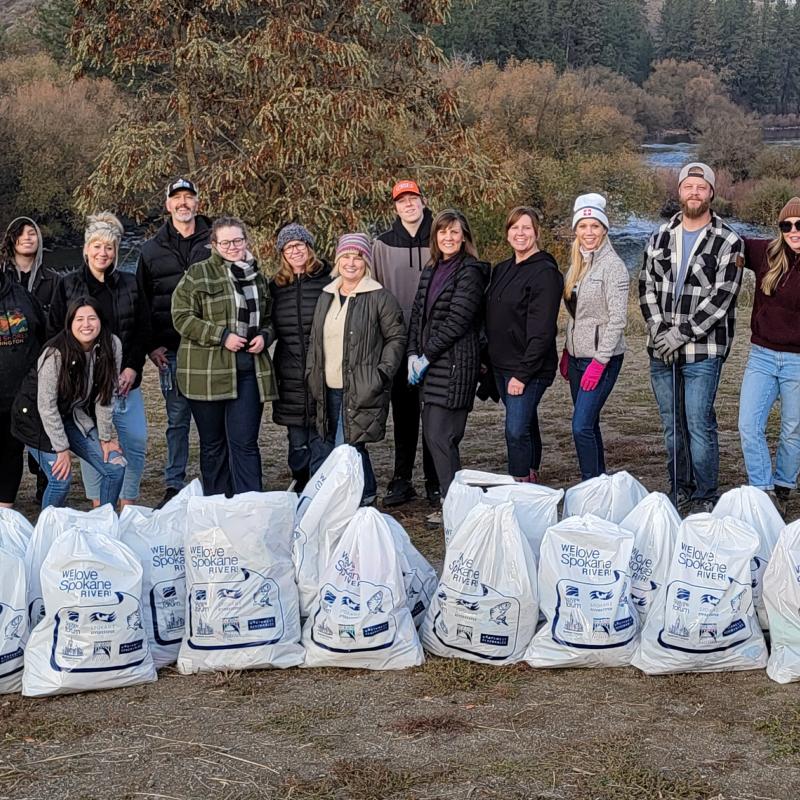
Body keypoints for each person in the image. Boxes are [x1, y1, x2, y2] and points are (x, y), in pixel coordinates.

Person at [640, 162, 743, 514]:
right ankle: (678, 487)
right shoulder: (659, 236)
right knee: (672, 425)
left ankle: (705, 493)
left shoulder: (729, 240)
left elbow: (722, 298)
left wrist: (680, 334)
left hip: (704, 349)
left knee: (699, 424)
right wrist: (657, 330)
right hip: (661, 350)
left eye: (701, 187)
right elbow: (647, 285)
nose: (694, 192)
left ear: (711, 193)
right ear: (680, 191)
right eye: (689, 186)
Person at [48, 212, 150, 507]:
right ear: (86, 249)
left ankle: (128, 502)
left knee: (135, 440)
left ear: (116, 251)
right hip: (84, 385)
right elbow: (56, 331)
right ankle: (98, 505)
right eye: (97, 246)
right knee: (94, 446)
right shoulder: (67, 285)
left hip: (124, 382)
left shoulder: (130, 284)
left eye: (109, 247)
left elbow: (143, 328)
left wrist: (132, 367)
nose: (102, 253)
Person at [172, 216, 276, 496]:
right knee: (213, 444)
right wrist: (221, 336)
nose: (233, 247)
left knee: (245, 442)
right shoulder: (198, 274)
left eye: (238, 240)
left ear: (246, 241)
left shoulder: (258, 277)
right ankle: (218, 503)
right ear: (214, 245)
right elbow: (181, 317)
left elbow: (269, 319)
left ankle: (250, 502)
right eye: (226, 242)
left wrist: (264, 337)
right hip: (206, 374)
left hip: (247, 372)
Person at [306, 233, 406, 506]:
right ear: (338, 260)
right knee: (337, 446)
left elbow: (396, 338)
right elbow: (317, 339)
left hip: (361, 385)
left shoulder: (379, 296)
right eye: (346, 256)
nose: (352, 263)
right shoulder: (326, 295)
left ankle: (359, 497)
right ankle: (359, 493)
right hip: (327, 385)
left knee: (347, 446)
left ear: (366, 263)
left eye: (358, 257)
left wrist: (382, 373)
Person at [407, 209, 490, 519]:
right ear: (435, 237)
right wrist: (412, 355)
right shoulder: (431, 268)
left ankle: (453, 504)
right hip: (429, 365)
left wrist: (427, 355)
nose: (449, 237)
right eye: (443, 232)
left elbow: (458, 320)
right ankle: (452, 498)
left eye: (455, 232)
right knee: (433, 435)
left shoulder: (470, 271)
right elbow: (418, 315)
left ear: (464, 236)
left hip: (455, 363)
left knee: (443, 436)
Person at [138, 177, 211, 508]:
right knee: (177, 420)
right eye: (177, 198)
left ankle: (215, 481)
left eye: (189, 197)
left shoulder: (217, 240)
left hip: (212, 349)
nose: (183, 203)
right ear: (167, 205)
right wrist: (151, 343)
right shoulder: (151, 250)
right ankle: (174, 483)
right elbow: (142, 300)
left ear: (197, 203)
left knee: (212, 420)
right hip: (172, 350)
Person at [11, 298, 125, 509]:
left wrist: (106, 437)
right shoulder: (55, 352)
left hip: (71, 414)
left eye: (92, 318)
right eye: (79, 319)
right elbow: (46, 405)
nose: (86, 324)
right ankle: (47, 534)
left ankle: (106, 525)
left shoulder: (112, 345)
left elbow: (106, 395)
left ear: (101, 320)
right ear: (70, 323)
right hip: (35, 419)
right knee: (61, 480)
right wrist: (61, 449)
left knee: (115, 467)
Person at [372, 179, 440, 506]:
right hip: (397, 340)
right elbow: (373, 292)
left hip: (436, 340)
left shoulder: (441, 237)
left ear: (423, 201)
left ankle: (434, 478)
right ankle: (401, 478)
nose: (408, 205)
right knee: (403, 411)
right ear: (395, 207)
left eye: (413, 198)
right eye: (402, 201)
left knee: (434, 412)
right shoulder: (382, 245)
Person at [485, 206, 562, 483]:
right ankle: (531, 472)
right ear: (507, 234)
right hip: (500, 365)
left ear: (537, 232)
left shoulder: (545, 272)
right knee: (526, 422)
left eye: (526, 227)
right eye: (515, 228)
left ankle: (519, 481)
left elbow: (542, 330)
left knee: (516, 430)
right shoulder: (502, 269)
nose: (520, 233)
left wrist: (523, 374)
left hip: (527, 368)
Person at [738, 197, 800, 517]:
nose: (794, 230)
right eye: (786, 225)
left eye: (799, 224)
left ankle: (783, 487)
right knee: (748, 424)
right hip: (762, 355)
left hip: (798, 362)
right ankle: (762, 492)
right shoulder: (766, 253)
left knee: (792, 430)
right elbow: (729, 240)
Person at [561, 194, 629, 480]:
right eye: (583, 226)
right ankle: (599, 481)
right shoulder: (577, 265)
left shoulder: (613, 267)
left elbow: (618, 320)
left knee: (581, 426)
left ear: (604, 230)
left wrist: (599, 361)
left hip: (602, 359)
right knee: (589, 424)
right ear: (576, 230)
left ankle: (591, 483)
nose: (589, 232)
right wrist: (567, 350)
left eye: (595, 226)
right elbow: (576, 315)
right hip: (577, 358)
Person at [2, 216, 64, 502]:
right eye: (21, 234)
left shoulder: (52, 281)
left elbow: (56, 326)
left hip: (37, 370)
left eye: (33, 233)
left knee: (39, 437)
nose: (28, 238)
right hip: (7, 373)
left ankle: (44, 492)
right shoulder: (4, 276)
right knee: (8, 445)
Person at [269, 222, 331, 492]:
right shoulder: (276, 286)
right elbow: (268, 322)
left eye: (299, 245)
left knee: (321, 432)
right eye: (288, 247)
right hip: (289, 368)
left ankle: (319, 486)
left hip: (323, 366)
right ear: (282, 253)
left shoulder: (328, 279)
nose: (295, 251)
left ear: (309, 247)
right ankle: (300, 478)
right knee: (296, 439)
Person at [0, 268, 46, 508]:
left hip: (19, 396)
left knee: (11, 452)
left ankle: (5, 512)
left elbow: (44, 336)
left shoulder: (23, 297)